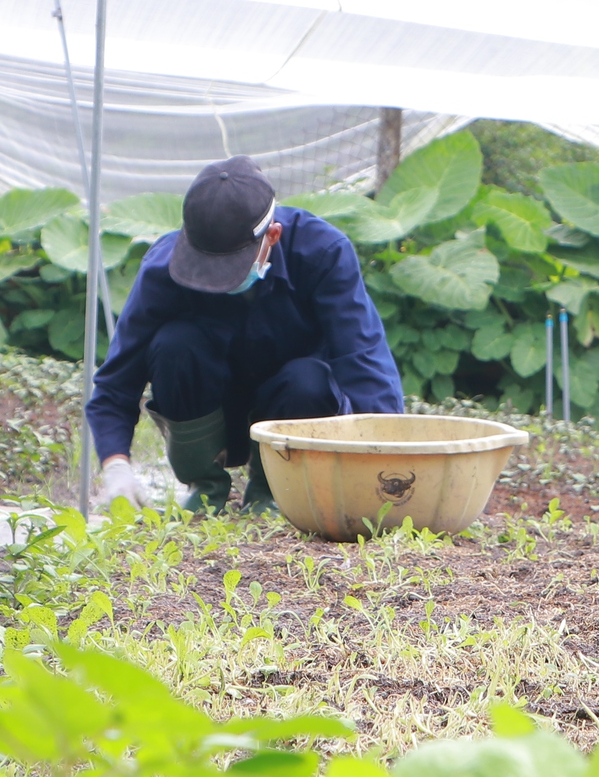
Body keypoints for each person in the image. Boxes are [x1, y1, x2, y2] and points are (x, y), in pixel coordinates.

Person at [87, 155, 403, 512]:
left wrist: (386, 463)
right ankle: (205, 487)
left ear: (272, 235)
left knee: (309, 377)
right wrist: (116, 469)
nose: (214, 282)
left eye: (227, 270)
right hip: (211, 410)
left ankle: (274, 491)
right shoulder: (163, 267)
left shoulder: (322, 253)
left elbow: (363, 362)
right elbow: (117, 382)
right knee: (175, 344)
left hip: (295, 410)